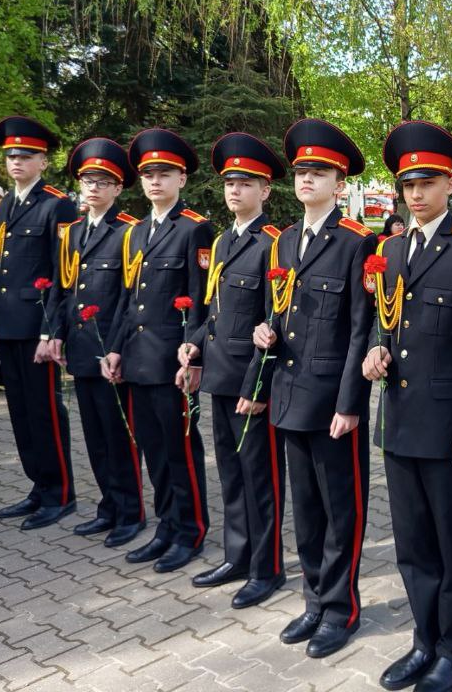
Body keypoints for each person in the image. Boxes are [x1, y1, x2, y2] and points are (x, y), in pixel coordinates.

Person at [363, 121, 452, 692]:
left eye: (427, 182)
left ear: (450, 184)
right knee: (413, 543)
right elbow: (388, 319)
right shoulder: (390, 249)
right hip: (398, 419)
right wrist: (376, 348)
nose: (416, 194)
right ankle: (424, 641)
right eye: (408, 185)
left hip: (447, 427)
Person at [247, 118, 376, 658]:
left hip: (331, 402)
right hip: (289, 392)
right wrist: (265, 333)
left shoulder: (357, 243)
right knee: (305, 508)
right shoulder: (282, 242)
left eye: (319, 172)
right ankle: (314, 600)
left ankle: (342, 609)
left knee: (341, 509)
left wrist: (350, 403)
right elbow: (280, 313)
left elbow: (361, 330)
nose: (306, 179)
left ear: (339, 184)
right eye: (301, 171)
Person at [178, 133, 289, 609]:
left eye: (246, 183)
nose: (235, 191)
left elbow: (274, 323)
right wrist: (195, 348)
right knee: (231, 473)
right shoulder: (223, 241)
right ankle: (237, 556)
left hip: (250, 383)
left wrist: (258, 386)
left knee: (260, 477)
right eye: (229, 183)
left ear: (265, 190)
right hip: (220, 378)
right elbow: (214, 311)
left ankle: (267, 567)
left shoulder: (273, 245)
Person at [102, 129, 214, 573]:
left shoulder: (194, 229)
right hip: (137, 360)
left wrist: (195, 356)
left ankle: (191, 531)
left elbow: (202, 301)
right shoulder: (134, 232)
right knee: (152, 451)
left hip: (173, 362)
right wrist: (115, 349)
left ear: (181, 179)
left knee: (180, 451)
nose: (154, 181)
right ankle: (167, 526)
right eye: (148, 175)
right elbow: (128, 300)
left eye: (164, 174)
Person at [45, 139, 146, 549]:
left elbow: (129, 298)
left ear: (118, 188)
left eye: (103, 182)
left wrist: (117, 347)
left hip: (112, 352)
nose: (93, 188)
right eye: (88, 181)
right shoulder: (71, 232)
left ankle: (131, 511)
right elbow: (62, 288)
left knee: (119, 435)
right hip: (81, 348)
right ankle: (108, 506)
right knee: (94, 436)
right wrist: (54, 333)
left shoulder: (129, 232)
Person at [0, 117, 78, 530]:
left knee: (45, 412)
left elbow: (62, 274)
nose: (16, 162)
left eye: (25, 155)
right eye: (10, 156)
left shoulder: (57, 205)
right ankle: (39, 486)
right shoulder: (4, 205)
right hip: (8, 323)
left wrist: (50, 331)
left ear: (43, 161)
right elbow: (1, 272)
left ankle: (61, 493)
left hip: (37, 327)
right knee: (20, 412)